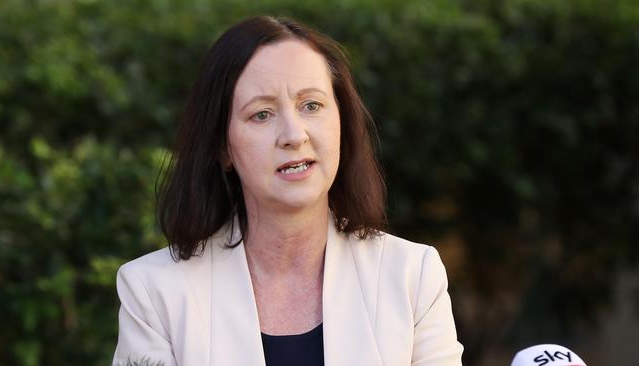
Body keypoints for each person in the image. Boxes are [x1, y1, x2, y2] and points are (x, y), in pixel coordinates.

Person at [112, 15, 463, 366]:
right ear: (222, 146)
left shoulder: (411, 276)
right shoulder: (154, 292)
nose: (294, 135)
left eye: (311, 106)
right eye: (262, 114)